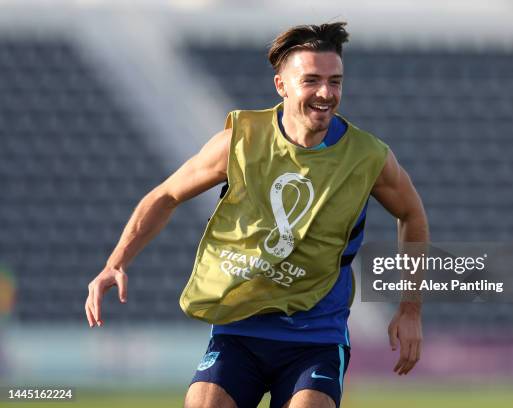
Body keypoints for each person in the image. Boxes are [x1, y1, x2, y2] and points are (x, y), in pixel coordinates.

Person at [85, 22, 428, 408]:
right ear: (281, 85)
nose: (326, 93)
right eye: (311, 80)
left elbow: (412, 215)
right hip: (239, 330)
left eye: (335, 81)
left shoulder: (368, 156)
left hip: (315, 336)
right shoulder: (242, 139)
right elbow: (166, 195)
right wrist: (116, 262)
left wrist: (410, 307)